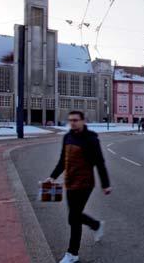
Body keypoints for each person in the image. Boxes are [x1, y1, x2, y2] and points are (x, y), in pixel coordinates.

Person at [46, 111, 111, 263]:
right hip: (70, 182)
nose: (73, 123)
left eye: (76, 120)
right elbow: (63, 160)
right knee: (73, 217)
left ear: (83, 121)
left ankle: (72, 254)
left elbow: (99, 163)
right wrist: (53, 176)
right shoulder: (67, 137)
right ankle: (95, 225)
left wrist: (105, 184)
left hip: (85, 183)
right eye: (70, 120)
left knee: (74, 217)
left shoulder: (91, 139)